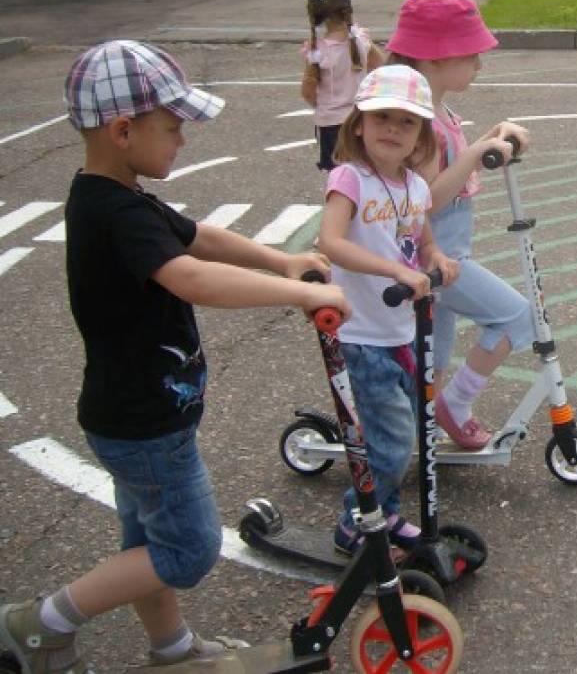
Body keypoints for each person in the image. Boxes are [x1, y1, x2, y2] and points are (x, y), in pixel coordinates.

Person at [0, 41, 350, 673]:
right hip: (144, 424)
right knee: (186, 551)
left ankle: (172, 649)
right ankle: (40, 624)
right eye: (172, 127)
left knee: (145, 543)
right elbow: (191, 277)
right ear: (123, 130)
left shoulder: (117, 196)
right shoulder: (116, 212)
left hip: (133, 415)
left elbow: (199, 236)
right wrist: (300, 290)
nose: (183, 140)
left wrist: (281, 259)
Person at [316, 64, 460, 554]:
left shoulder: (415, 187)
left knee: (407, 429)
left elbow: (421, 240)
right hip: (361, 336)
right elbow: (330, 242)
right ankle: (356, 522)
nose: (394, 130)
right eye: (382, 118)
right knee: (390, 439)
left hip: (405, 330)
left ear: (421, 134)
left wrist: (435, 258)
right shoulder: (350, 178)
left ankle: (387, 513)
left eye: (407, 122)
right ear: (358, 123)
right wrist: (395, 271)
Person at [384, 0, 533, 450]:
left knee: (431, 353)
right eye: (471, 56)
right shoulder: (418, 119)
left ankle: (415, 424)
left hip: (447, 253)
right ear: (435, 56)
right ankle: (454, 404)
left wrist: (490, 137)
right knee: (519, 318)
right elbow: (424, 200)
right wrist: (475, 153)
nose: (479, 66)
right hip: (436, 255)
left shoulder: (438, 108)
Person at [299, 0, 385, 171]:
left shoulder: (317, 52)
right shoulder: (360, 40)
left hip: (331, 124)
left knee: (340, 177)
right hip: (361, 118)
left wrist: (322, 105)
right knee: (365, 172)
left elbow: (308, 92)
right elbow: (380, 64)